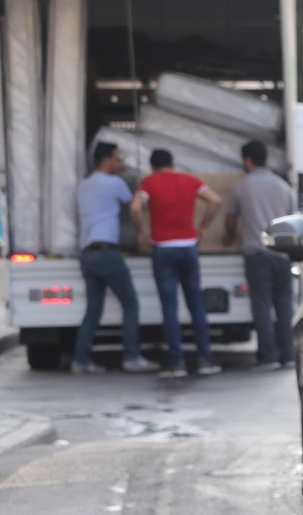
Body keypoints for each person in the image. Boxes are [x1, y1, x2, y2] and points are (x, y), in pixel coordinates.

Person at [132, 149, 223, 377]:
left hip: (163, 249)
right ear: (173, 164)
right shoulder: (189, 180)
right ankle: (206, 360)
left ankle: (177, 362)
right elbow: (215, 200)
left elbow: (135, 207)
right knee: (196, 305)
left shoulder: (149, 182)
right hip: (188, 247)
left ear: (152, 167)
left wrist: (141, 232)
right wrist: (202, 227)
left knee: (170, 307)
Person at [72, 145, 159, 374]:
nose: (121, 166)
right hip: (107, 253)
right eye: (118, 160)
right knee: (130, 303)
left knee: (93, 310)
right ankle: (131, 356)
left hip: (87, 254)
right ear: (106, 161)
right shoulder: (115, 183)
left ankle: (80, 360)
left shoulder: (83, 185)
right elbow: (135, 206)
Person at [223, 139, 298, 370]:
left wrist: (230, 235)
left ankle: (269, 356)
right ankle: (288, 355)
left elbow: (231, 218)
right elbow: (293, 220)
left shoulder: (242, 187)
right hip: (282, 254)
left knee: (262, 305)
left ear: (247, 160)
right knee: (285, 306)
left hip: (257, 254)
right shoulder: (284, 187)